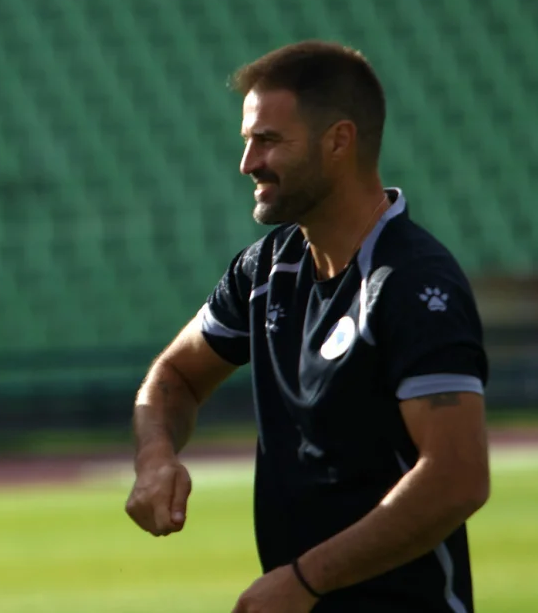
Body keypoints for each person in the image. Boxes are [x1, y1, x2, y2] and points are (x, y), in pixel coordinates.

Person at [124, 41, 491, 613]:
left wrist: (305, 581)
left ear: (339, 141)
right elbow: (174, 376)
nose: (248, 163)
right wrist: (155, 457)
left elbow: (458, 478)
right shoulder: (266, 269)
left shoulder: (413, 284)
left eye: (267, 140)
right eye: (248, 141)